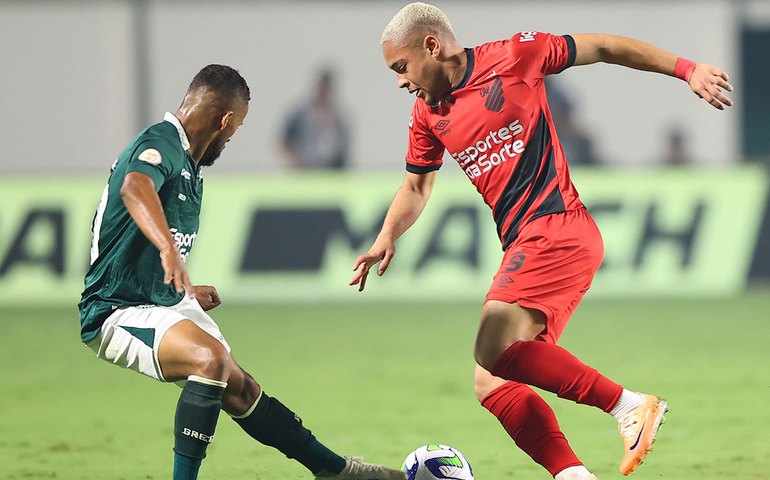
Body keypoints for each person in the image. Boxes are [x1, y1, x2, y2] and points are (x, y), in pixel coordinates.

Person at [350, 3, 732, 480]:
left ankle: (630, 405)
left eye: (401, 67)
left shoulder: (516, 55)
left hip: (556, 229)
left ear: (431, 46)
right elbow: (416, 186)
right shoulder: (428, 114)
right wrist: (387, 235)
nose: (400, 82)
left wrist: (687, 69)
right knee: (491, 381)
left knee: (492, 344)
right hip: (529, 242)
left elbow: (603, 46)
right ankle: (573, 475)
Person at [78, 64, 404, 480]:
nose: (233, 137)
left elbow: (136, 243)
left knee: (242, 390)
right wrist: (168, 251)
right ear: (226, 119)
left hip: (160, 301)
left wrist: (182, 289)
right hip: (114, 310)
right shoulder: (160, 143)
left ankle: (337, 471)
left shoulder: (190, 164)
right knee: (210, 361)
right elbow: (134, 188)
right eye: (238, 127)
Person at [282, 67, 350, 170]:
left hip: (330, 171)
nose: (324, 94)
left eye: (327, 90)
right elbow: (285, 140)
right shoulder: (300, 114)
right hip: (305, 170)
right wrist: (294, 159)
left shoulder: (339, 119)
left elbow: (343, 149)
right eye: (322, 89)